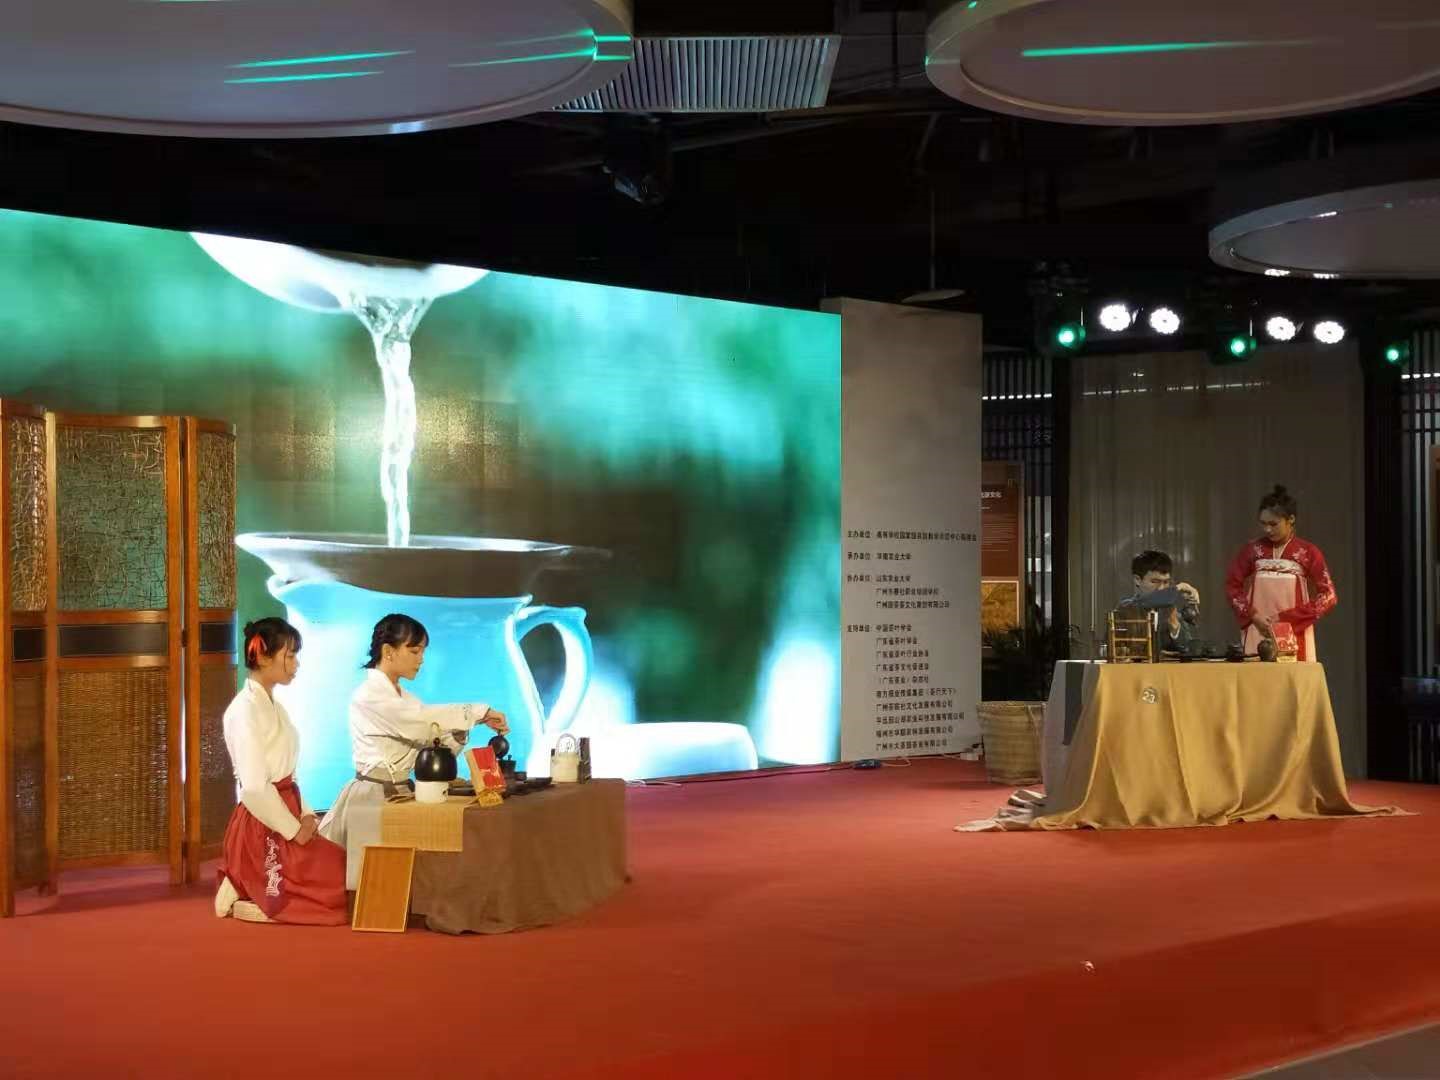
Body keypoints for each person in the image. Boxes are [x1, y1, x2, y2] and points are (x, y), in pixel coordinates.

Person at [319, 614, 509, 889]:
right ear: (388, 651)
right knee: (369, 882)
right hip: (372, 795)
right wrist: (479, 712)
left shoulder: (406, 699)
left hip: (401, 793)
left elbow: (432, 740)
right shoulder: (370, 696)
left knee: (398, 880)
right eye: (414, 651)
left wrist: (461, 730)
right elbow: (420, 721)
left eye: (422, 652)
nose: (421, 659)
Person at [215, 618, 347, 925]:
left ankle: (242, 880)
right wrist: (293, 830)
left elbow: (289, 775)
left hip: (287, 809)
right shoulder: (243, 710)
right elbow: (253, 788)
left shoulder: (276, 707)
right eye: (289, 655)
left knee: (342, 865)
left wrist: (306, 814)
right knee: (335, 882)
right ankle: (243, 877)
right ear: (263, 657)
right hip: (263, 823)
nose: (296, 663)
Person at [1225, 485, 1336, 662]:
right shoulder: (1253, 550)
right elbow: (1232, 586)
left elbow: (1328, 596)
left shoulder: (1308, 552)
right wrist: (1253, 615)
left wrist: (1288, 619)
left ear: (1290, 519)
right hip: (1259, 627)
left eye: (1273, 524)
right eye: (1263, 524)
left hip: (1294, 631)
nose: (1267, 530)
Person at [1118, 549, 1201, 653]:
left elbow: (1188, 649)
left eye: (1166, 582)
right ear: (1137, 580)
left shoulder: (1173, 610)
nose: (1161, 588)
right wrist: (1180, 587)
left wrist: (1175, 626)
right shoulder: (1125, 609)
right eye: (1154, 582)